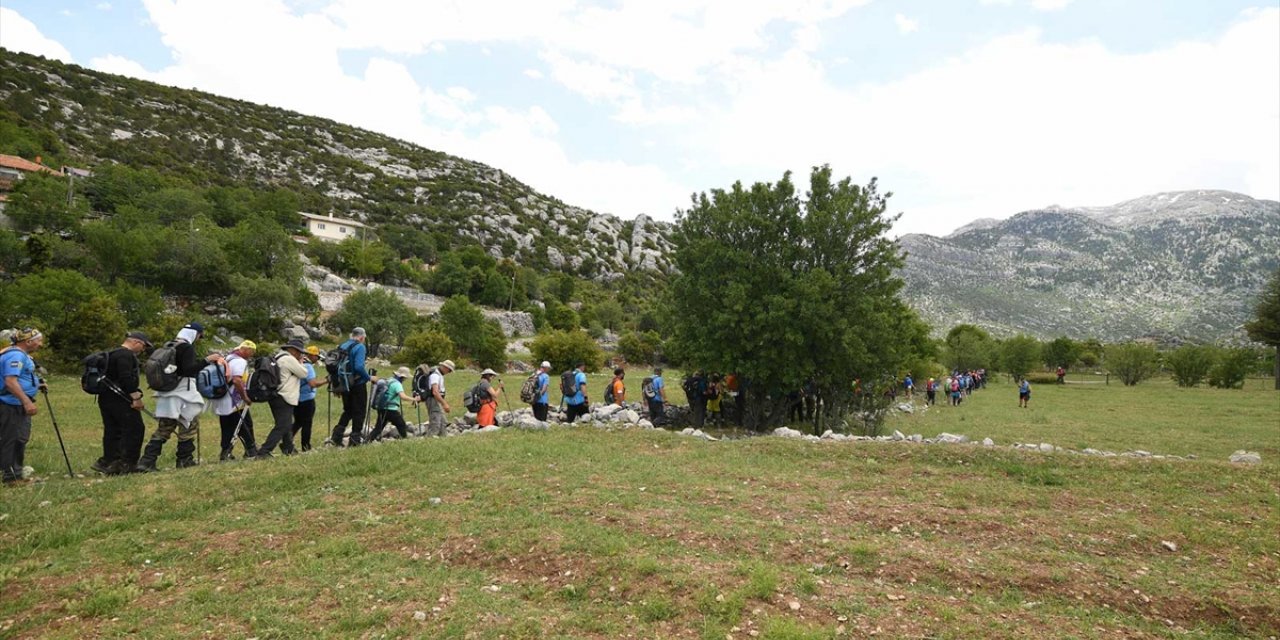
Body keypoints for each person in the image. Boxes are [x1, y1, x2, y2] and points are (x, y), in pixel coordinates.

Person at [138, 323, 217, 472]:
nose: (199, 339)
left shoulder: (169, 345)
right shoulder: (186, 348)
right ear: (195, 334)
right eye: (199, 336)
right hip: (183, 393)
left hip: (166, 393)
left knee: (164, 428)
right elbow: (188, 370)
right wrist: (207, 360)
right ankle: (184, 460)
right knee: (189, 425)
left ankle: (147, 461)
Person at [91, 331, 152, 475]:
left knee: (113, 430)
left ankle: (109, 461)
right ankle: (128, 464)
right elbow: (125, 378)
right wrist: (136, 398)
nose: (142, 350)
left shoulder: (111, 354)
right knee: (134, 429)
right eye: (143, 347)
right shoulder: (126, 355)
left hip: (105, 397)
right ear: (136, 342)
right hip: (121, 398)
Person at [254, 339, 312, 458]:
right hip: (284, 395)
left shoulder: (278, 357)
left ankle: (288, 448)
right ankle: (264, 451)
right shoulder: (289, 359)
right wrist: (300, 362)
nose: (300, 354)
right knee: (283, 425)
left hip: (275, 394)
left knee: (285, 422)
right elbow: (304, 373)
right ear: (293, 350)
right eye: (299, 352)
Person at [1, 328, 44, 485]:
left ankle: (15, 472)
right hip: (11, 403)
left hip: (15, 401)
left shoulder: (18, 354)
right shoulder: (16, 355)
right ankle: (11, 477)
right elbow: (10, 381)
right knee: (13, 438)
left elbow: (22, 377)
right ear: (28, 341)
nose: (41, 344)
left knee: (19, 437)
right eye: (39, 340)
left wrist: (36, 384)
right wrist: (27, 402)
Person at [212, 340, 259, 461]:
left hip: (222, 398)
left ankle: (225, 453)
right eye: (251, 351)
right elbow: (237, 380)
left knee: (227, 427)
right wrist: (245, 397)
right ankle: (251, 450)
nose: (251, 354)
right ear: (245, 349)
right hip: (234, 400)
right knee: (244, 425)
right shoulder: (239, 361)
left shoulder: (228, 358)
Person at [330, 327, 371, 447]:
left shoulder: (343, 346)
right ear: (362, 337)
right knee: (359, 411)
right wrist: (368, 377)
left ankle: (336, 435)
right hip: (357, 384)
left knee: (348, 410)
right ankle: (354, 440)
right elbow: (358, 366)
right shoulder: (360, 347)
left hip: (343, 383)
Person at [292, 346, 327, 450]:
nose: (317, 359)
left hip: (296, 398)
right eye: (317, 357)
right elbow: (313, 383)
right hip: (307, 399)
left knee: (298, 422)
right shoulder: (308, 366)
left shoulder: (298, 364)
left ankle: (287, 441)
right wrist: (327, 380)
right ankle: (306, 446)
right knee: (307, 423)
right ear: (311, 355)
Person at [370, 366, 416, 440]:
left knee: (378, 428)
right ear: (403, 377)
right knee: (401, 424)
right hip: (391, 409)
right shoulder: (397, 384)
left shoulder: (389, 380)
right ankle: (405, 440)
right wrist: (413, 399)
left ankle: (367, 441)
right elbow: (403, 396)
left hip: (382, 407)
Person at [424, 360, 454, 436]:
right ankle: (430, 439)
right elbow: (435, 392)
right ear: (445, 367)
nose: (449, 372)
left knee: (443, 422)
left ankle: (443, 437)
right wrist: (444, 404)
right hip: (433, 400)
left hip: (437, 400)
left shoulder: (439, 375)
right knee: (435, 421)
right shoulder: (435, 375)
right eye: (449, 370)